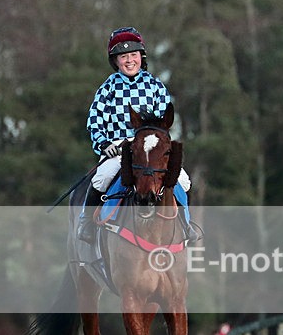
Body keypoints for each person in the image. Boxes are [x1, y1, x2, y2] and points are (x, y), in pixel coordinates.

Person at [78, 26, 199, 244]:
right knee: (102, 177)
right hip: (119, 148)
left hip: (151, 148)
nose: (129, 60)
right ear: (115, 61)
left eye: (133, 55)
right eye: (123, 56)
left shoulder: (155, 86)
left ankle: (186, 225)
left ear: (141, 57)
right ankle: (86, 223)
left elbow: (164, 122)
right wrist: (104, 145)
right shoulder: (107, 89)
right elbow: (94, 122)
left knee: (183, 180)